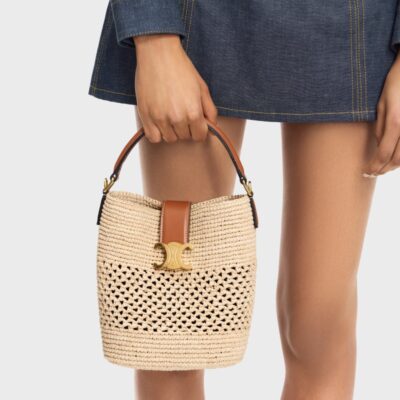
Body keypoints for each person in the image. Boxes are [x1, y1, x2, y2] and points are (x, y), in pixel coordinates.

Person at [89, 1, 400, 399]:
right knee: (171, 332)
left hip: (352, 22)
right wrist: (154, 35)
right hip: (195, 20)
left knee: (319, 329)